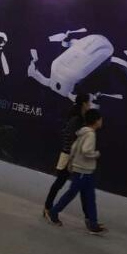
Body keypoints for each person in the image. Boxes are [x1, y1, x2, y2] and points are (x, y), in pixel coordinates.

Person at [48, 109, 106, 235]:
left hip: (83, 171)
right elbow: (86, 151)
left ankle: (93, 223)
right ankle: (53, 212)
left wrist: (71, 163)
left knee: (89, 197)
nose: (102, 121)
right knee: (75, 195)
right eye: (100, 119)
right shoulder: (90, 134)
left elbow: (74, 147)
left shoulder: (82, 132)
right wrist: (95, 154)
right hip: (83, 171)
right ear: (96, 121)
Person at [43, 95, 91, 223]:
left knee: (80, 187)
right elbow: (70, 138)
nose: (90, 104)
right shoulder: (77, 119)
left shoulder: (80, 118)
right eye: (89, 102)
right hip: (70, 157)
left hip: (73, 157)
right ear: (84, 104)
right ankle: (48, 208)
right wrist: (72, 158)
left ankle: (89, 219)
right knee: (61, 183)